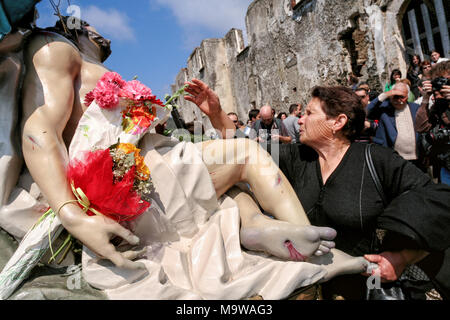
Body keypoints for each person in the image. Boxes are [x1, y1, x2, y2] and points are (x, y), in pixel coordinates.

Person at [4, 16, 379, 299]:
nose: (102, 36)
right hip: (139, 178)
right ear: (77, 31)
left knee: (234, 194)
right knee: (247, 153)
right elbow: (40, 133)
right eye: (91, 30)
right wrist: (72, 215)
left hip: (145, 178)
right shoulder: (54, 48)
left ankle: (258, 228)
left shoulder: (70, 59)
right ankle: (311, 253)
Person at [271, 86, 450, 299]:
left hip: (367, 285)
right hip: (310, 287)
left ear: (338, 122)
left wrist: (402, 257)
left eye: (309, 113)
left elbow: (440, 205)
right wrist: (218, 114)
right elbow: (241, 154)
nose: (300, 120)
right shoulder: (297, 157)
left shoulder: (376, 160)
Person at [367, 82, 422, 168]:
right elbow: (367, 111)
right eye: (395, 96)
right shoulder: (384, 109)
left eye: (402, 97)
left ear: (407, 96)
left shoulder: (415, 108)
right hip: (393, 158)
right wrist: (386, 94)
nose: (398, 100)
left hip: (416, 158)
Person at [415, 60, 450, 185]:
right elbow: (421, 127)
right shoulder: (439, 105)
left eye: (446, 80)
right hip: (446, 166)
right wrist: (425, 98)